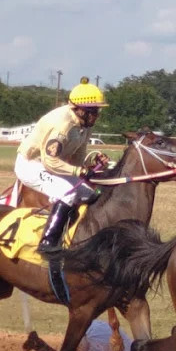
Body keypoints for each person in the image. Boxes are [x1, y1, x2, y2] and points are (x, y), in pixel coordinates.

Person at [15, 77, 111, 255]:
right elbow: (50, 161)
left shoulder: (85, 124)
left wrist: (87, 166)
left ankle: (77, 235)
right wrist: (78, 171)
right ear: (80, 110)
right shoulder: (62, 125)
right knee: (67, 193)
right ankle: (48, 242)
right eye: (94, 110)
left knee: (92, 194)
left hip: (53, 165)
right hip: (32, 165)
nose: (97, 115)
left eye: (98, 110)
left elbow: (78, 155)